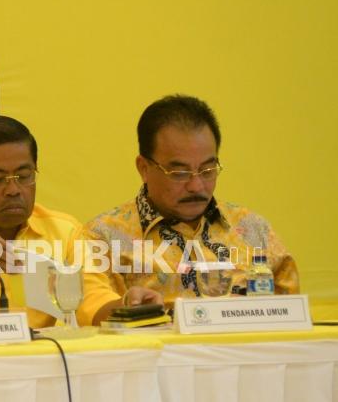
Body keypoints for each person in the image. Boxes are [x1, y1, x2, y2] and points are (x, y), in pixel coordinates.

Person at [0, 115, 161, 328]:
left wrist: (127, 308)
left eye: (24, 175)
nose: (14, 190)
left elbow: (91, 296)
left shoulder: (64, 231)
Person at [82, 95, 299, 320]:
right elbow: (90, 310)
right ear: (144, 168)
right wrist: (127, 306)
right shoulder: (103, 236)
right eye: (179, 173)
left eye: (207, 170)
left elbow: (292, 316)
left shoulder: (253, 229)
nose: (196, 186)